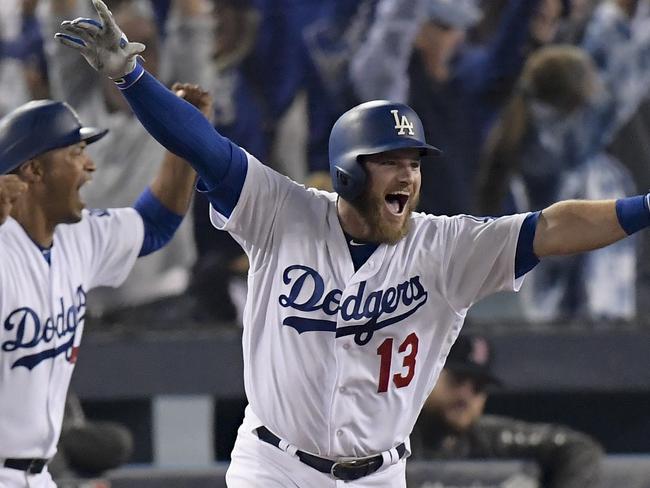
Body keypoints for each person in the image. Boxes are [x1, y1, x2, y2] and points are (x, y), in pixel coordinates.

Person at [56, 1, 650, 485]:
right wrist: (131, 78)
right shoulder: (281, 212)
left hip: (378, 474)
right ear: (346, 172)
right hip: (275, 467)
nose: (408, 176)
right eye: (390, 162)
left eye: (414, 162)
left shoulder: (446, 247)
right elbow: (204, 149)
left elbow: (553, 226)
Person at [0, 82, 210, 487]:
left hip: (39, 475)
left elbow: (155, 223)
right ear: (34, 170)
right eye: (76, 153)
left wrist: (186, 135)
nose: (90, 165)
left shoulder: (79, 238)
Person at [410, 334, 603, 488]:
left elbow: (579, 448)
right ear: (428, 375)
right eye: (458, 380)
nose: (466, 396)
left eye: (478, 387)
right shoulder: (395, 437)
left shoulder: (484, 436)